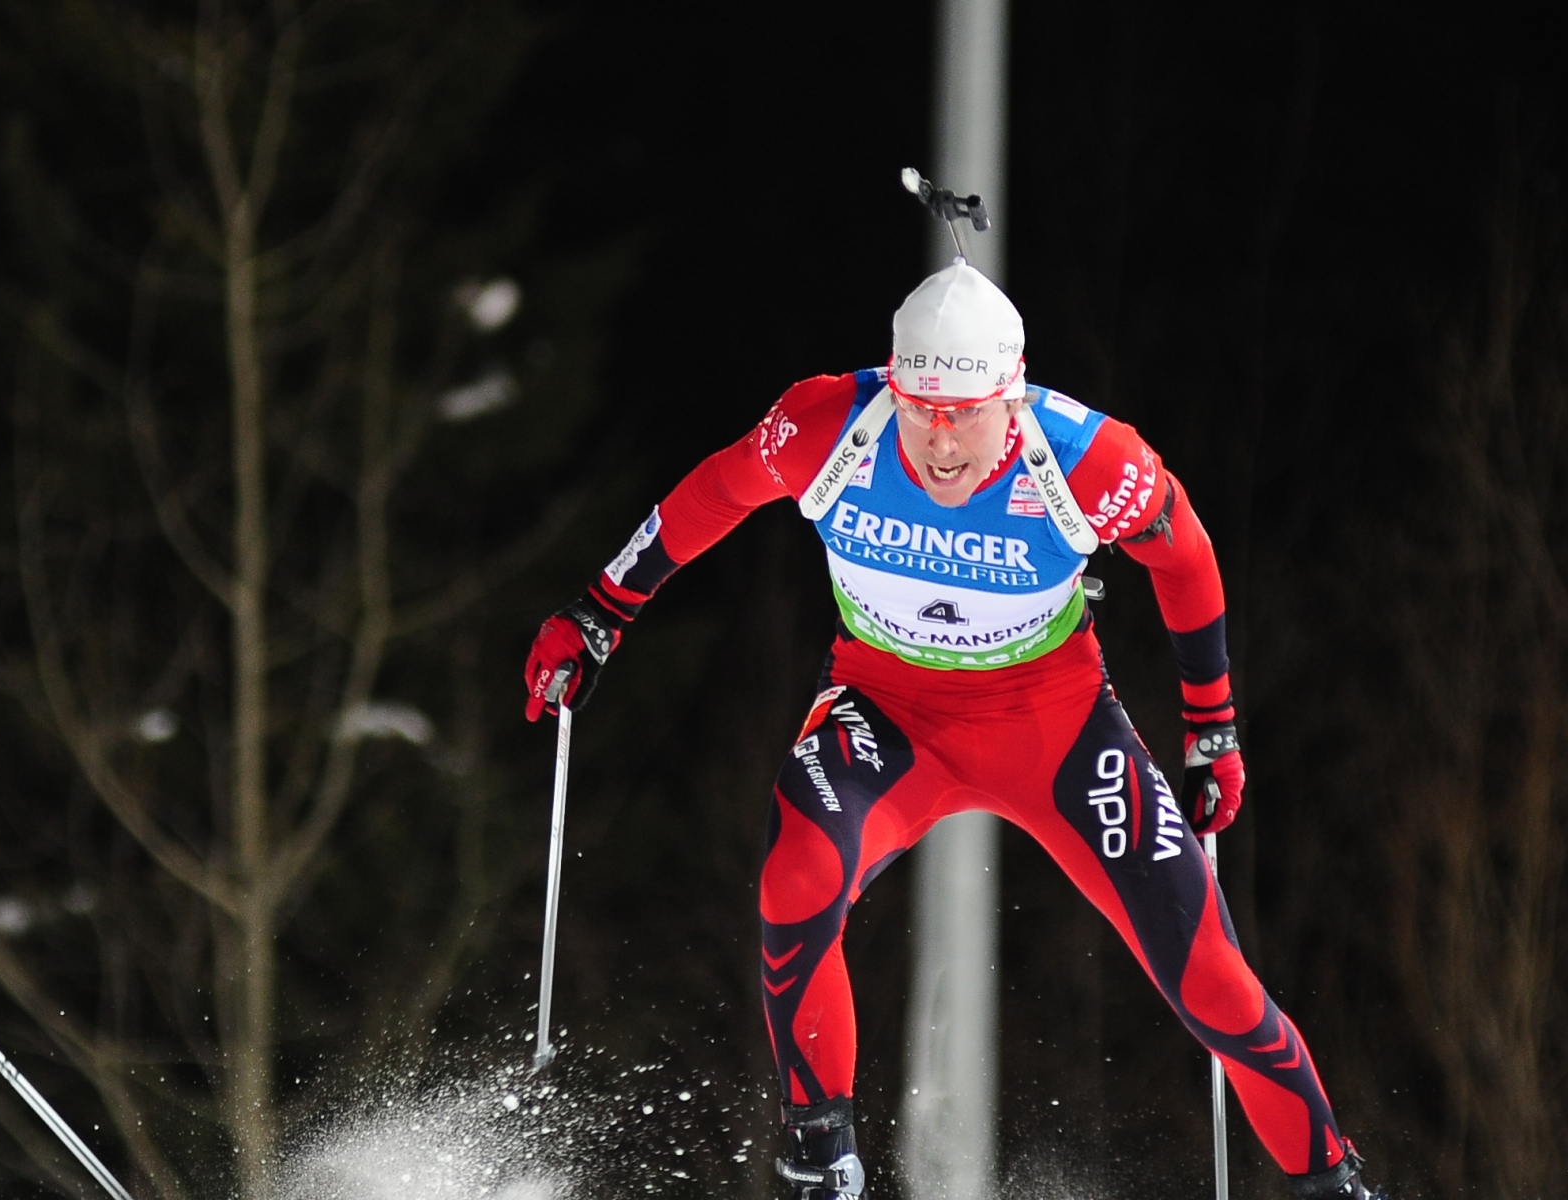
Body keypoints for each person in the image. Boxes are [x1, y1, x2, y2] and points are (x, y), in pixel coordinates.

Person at [523, 262, 1382, 1200]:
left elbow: (1187, 558)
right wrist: (601, 611)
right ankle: (821, 1166)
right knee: (794, 878)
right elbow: (713, 494)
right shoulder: (828, 426)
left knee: (1209, 976)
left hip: (1051, 723)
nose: (939, 441)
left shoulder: (1088, 459)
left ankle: (1331, 1181)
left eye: (965, 412)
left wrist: (1212, 725)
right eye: (919, 407)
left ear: (1011, 398)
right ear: (893, 386)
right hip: (887, 708)